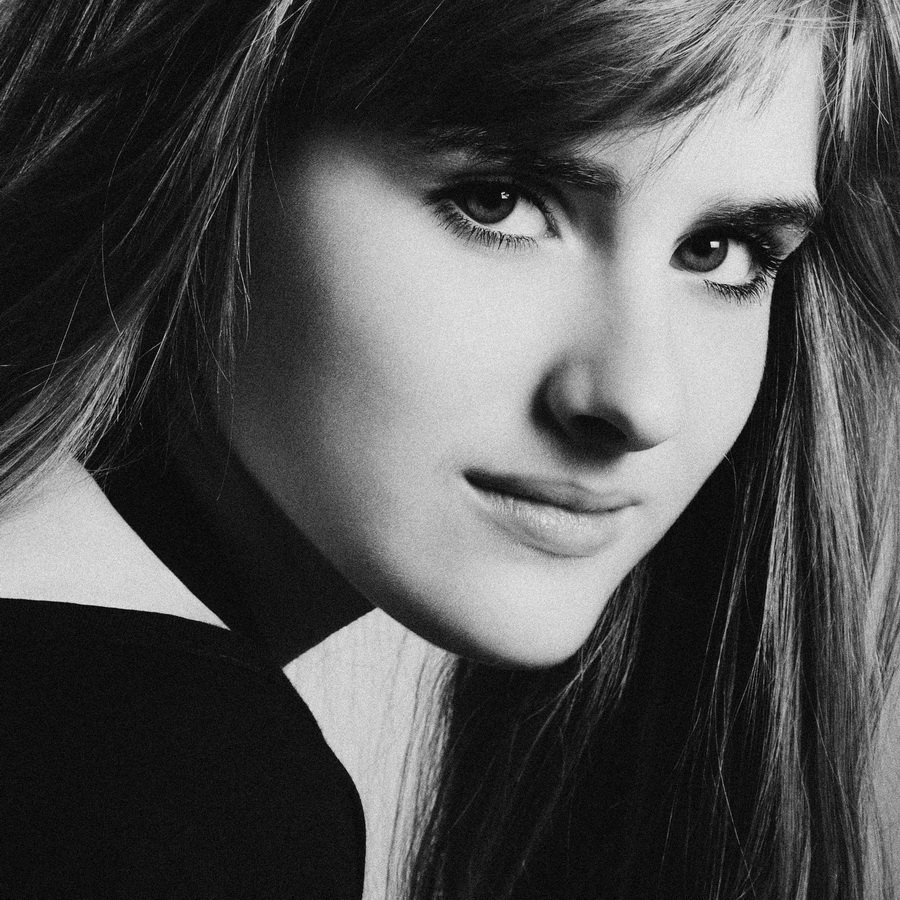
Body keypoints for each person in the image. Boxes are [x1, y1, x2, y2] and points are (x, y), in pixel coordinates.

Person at [1, 0, 899, 898]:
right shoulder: (165, 781)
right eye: (499, 202)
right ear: (199, 145)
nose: (638, 400)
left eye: (721, 252)